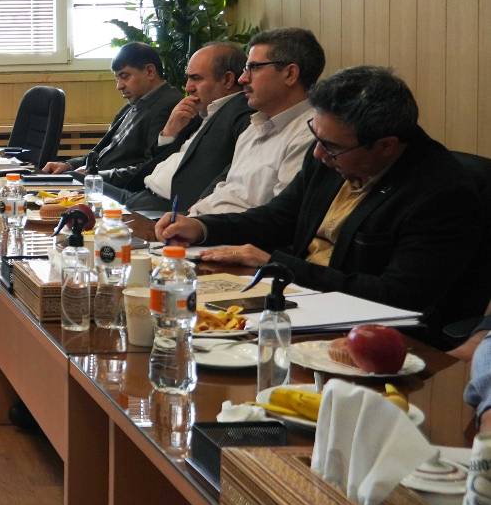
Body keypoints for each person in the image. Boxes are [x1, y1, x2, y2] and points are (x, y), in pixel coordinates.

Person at [156, 66, 477, 335]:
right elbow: (278, 217)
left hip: (366, 331)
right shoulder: (333, 152)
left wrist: (279, 265)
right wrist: (201, 227)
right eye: (316, 136)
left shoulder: (440, 192)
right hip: (299, 302)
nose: (318, 154)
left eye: (331, 146)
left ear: (386, 146)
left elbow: (399, 296)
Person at [183, 27, 321, 216]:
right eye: (245, 69)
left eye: (254, 68)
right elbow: (227, 191)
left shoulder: (310, 135)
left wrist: (202, 227)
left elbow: (279, 219)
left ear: (290, 74)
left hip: (226, 232)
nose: (242, 79)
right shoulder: (253, 127)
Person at [102, 42, 250, 216]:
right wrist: (169, 132)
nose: (188, 87)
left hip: (165, 210)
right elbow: (157, 161)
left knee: (86, 188)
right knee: (82, 185)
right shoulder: (199, 113)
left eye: (196, 78)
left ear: (227, 80)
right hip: (141, 195)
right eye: (188, 78)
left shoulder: (240, 115)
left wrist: (189, 219)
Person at [43, 42, 183, 177]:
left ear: (150, 71)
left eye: (124, 76)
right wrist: (69, 165)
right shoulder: (133, 105)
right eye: (117, 79)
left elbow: (150, 168)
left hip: (116, 189)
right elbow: (101, 154)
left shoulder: (169, 105)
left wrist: (94, 177)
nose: (119, 86)